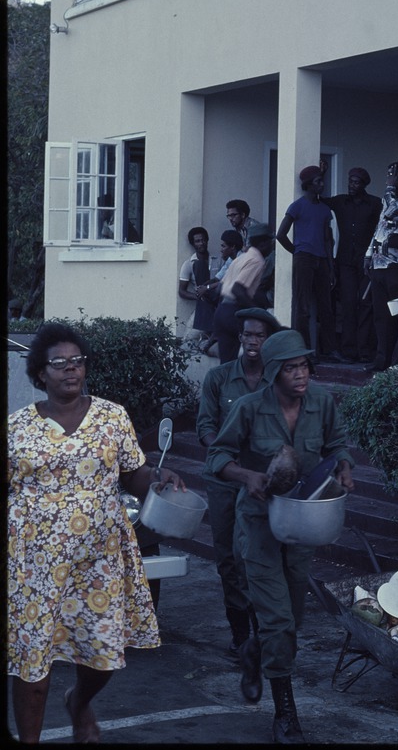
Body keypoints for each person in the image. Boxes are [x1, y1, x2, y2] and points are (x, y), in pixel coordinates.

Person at [7, 322, 185, 744]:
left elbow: (133, 475)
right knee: (34, 659)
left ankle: (79, 702)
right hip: (35, 562)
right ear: (40, 375)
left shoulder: (111, 416)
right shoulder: (17, 428)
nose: (71, 370)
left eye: (77, 361)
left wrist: (157, 480)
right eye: (59, 363)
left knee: (103, 655)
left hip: (100, 558)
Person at [203, 329, 355, 743]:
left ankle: (255, 651)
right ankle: (285, 714)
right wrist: (246, 475)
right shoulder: (251, 408)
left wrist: (342, 466)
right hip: (258, 523)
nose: (301, 374)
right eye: (291, 368)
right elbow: (216, 457)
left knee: (292, 620)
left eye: (304, 365)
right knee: (279, 620)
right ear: (274, 374)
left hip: (301, 524)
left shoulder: (321, 402)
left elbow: (336, 444)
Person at [197, 308, 283, 659]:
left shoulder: (275, 382)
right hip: (223, 480)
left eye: (258, 336)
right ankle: (240, 632)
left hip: (260, 482)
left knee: (254, 557)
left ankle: (262, 630)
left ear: (268, 341)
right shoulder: (218, 378)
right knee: (227, 559)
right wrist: (225, 454)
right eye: (247, 335)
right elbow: (204, 426)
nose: (251, 342)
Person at [276, 166, 340, 361]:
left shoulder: (324, 210)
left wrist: (331, 267)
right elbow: (280, 235)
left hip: (321, 260)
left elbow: (328, 240)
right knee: (302, 307)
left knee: (326, 307)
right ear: (308, 185)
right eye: (318, 182)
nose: (322, 185)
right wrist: (296, 251)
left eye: (322, 181)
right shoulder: (297, 206)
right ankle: (303, 351)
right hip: (304, 259)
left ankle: (329, 350)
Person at [325, 167, 382, 362]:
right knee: (348, 304)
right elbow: (318, 198)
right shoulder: (340, 201)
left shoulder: (375, 204)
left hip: (367, 261)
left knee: (366, 303)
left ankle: (365, 350)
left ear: (364, 184)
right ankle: (349, 350)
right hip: (346, 261)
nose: (352, 185)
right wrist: (322, 172)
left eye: (356, 182)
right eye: (350, 181)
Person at [363, 161, 398, 371]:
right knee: (381, 317)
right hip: (379, 266)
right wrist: (368, 254)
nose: (389, 179)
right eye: (389, 175)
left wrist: (391, 188)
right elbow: (380, 227)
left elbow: (394, 214)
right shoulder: (388, 199)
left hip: (396, 267)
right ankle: (381, 360)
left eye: (393, 176)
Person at [213, 223, 276, 362]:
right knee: (266, 348)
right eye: (271, 242)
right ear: (264, 243)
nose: (272, 246)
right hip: (234, 313)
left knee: (227, 364)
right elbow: (238, 289)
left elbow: (220, 288)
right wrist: (259, 313)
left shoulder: (241, 258)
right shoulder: (257, 260)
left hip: (222, 311)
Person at [178, 226, 215, 341]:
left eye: (203, 240)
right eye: (197, 241)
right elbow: (182, 291)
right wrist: (198, 296)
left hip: (217, 300)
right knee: (189, 338)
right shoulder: (189, 264)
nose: (201, 243)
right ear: (193, 244)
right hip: (203, 304)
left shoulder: (216, 259)